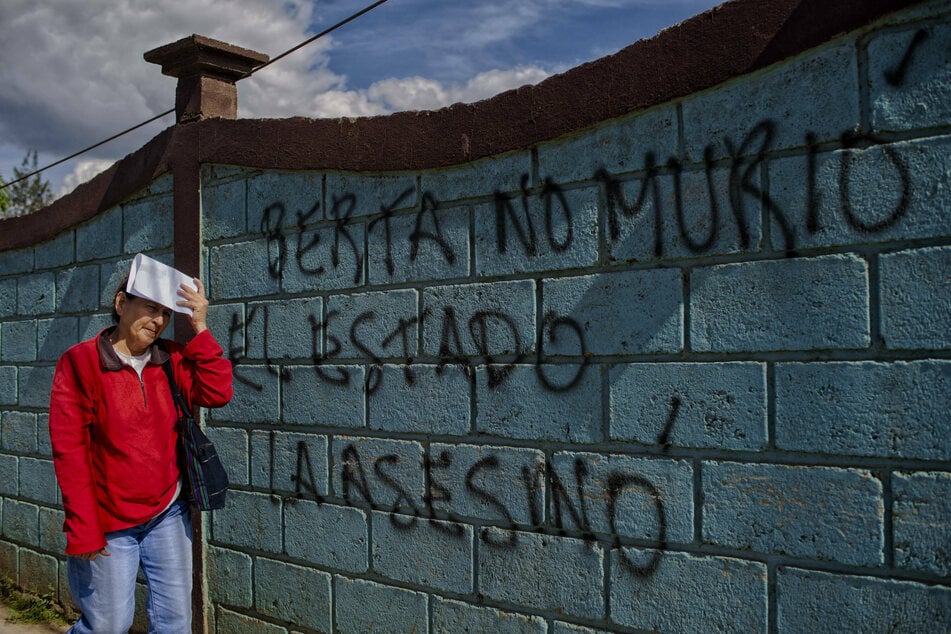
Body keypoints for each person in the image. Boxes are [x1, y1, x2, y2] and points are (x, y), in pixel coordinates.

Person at [49, 269, 233, 633]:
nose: (160, 320)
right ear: (121, 304)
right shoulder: (81, 362)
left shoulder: (170, 360)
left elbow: (217, 393)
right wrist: (84, 528)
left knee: (175, 623)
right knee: (107, 626)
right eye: (150, 308)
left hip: (167, 513)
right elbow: (70, 452)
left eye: (165, 312)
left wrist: (200, 327)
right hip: (109, 522)